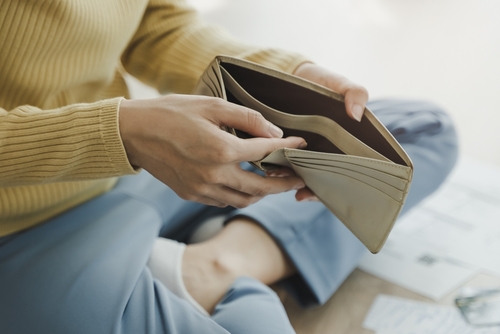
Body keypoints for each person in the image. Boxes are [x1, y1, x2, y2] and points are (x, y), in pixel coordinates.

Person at [0, 0, 459, 333]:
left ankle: (215, 262)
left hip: (115, 174)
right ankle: (212, 263)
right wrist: (121, 133)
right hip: (21, 230)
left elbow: (152, 22)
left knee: (424, 128)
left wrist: (285, 77)